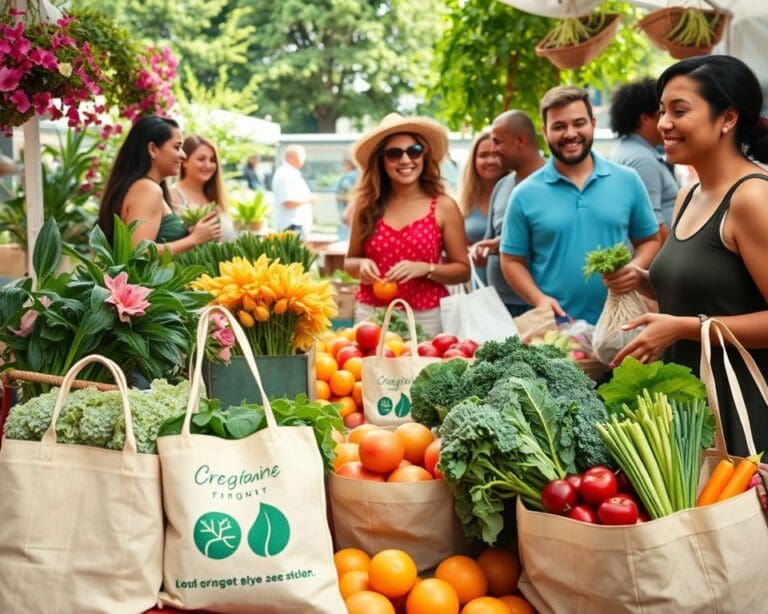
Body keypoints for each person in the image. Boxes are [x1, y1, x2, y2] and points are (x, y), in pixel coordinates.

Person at [613, 55, 768, 457]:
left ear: (727, 118)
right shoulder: (689, 195)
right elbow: (708, 288)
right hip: (689, 412)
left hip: (744, 415)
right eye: (662, 110)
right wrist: (641, 279)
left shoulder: (752, 197)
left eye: (679, 111)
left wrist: (685, 327)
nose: (663, 123)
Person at [500, 86, 660, 324]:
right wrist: (540, 299)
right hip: (558, 328)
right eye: (559, 126)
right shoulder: (524, 193)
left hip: (620, 323)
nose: (570, 133)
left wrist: (634, 270)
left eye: (578, 123)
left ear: (593, 124)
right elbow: (511, 260)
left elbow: (649, 239)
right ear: (545, 132)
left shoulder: (627, 180)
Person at [344, 113, 470, 337]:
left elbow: (462, 270)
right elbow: (349, 262)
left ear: (424, 155)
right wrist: (361, 264)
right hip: (372, 315)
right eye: (394, 153)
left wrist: (426, 268)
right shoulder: (365, 206)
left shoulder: (443, 206)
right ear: (381, 160)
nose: (405, 160)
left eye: (414, 151)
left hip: (427, 317)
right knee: (369, 372)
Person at [98, 116, 220, 252]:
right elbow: (140, 251)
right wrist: (193, 239)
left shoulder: (140, 186)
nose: (183, 155)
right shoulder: (148, 189)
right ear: (153, 149)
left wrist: (189, 233)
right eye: (177, 147)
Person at [472, 110, 545, 316]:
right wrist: (483, 250)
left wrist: (504, 243)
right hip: (498, 303)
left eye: (497, 142)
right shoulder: (502, 185)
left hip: (537, 303)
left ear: (520, 141)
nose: (493, 150)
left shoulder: (555, 182)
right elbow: (491, 237)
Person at [610, 78, 679, 236]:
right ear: (645, 119)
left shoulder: (627, 149)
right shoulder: (642, 160)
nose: (667, 122)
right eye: (661, 114)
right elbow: (653, 223)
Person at [457, 130, 505, 285]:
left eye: (496, 155)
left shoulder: (516, 193)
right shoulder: (464, 202)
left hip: (513, 289)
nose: (490, 160)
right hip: (477, 286)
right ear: (473, 160)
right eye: (484, 155)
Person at [170, 135, 237, 241]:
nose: (208, 165)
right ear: (185, 161)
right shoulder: (172, 195)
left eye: (212, 160)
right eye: (201, 159)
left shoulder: (215, 196)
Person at [272, 145, 315, 237]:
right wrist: (309, 200)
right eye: (302, 155)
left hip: (295, 227)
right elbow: (287, 202)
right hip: (291, 228)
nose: (303, 159)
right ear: (294, 156)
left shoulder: (289, 173)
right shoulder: (285, 174)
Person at [335, 157, 358, 241]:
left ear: (348, 165)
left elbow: (350, 192)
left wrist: (341, 197)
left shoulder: (348, 177)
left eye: (343, 165)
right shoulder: (360, 175)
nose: (342, 168)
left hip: (348, 214)